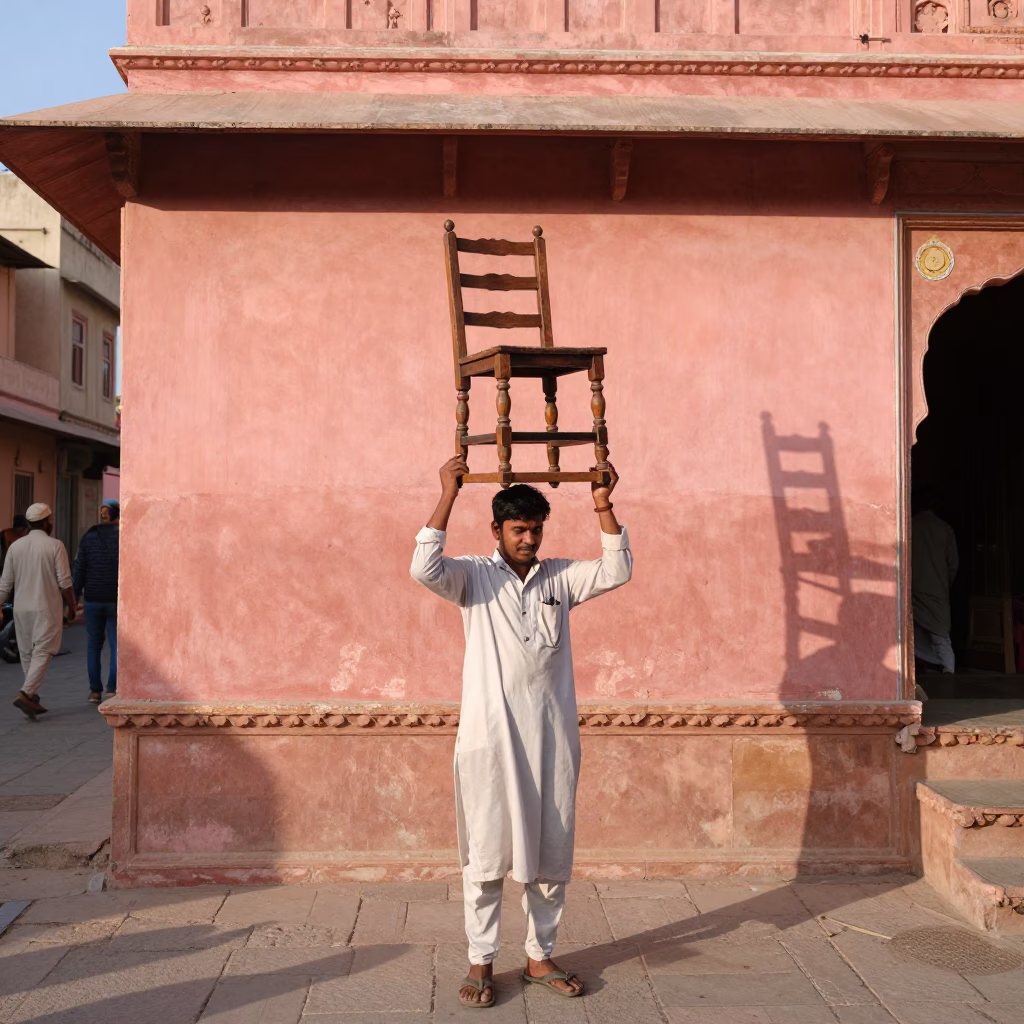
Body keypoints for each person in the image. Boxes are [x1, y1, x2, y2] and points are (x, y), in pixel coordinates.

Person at [410, 456, 632, 1008]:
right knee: (485, 857)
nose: (529, 538)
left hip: (552, 740)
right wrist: (448, 493)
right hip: (490, 741)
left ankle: (539, 956)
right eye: (519, 529)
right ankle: (480, 962)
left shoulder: (559, 577)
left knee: (551, 853)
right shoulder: (472, 578)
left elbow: (616, 569)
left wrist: (603, 504)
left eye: (535, 529)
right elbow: (423, 567)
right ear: (497, 531)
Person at [0, 502, 76, 718]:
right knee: (43, 651)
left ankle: (31, 697)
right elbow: (65, 582)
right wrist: (71, 606)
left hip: (21, 609)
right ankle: (27, 693)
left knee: (27, 653)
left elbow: (4, 584)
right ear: (45, 522)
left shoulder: (15, 547)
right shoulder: (55, 545)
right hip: (46, 608)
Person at [912, 487, 959, 693]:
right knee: (940, 633)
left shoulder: (908, 526)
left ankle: (937, 666)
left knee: (915, 632)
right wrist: (945, 583)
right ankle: (948, 670)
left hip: (912, 587)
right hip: (938, 589)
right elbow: (953, 563)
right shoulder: (944, 528)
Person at [73, 499, 120, 704]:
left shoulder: (88, 537)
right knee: (117, 645)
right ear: (118, 514)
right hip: (115, 599)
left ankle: (94, 692)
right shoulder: (123, 536)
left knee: (93, 646)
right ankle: (112, 688)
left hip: (92, 599)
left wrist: (74, 598)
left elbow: (79, 569)